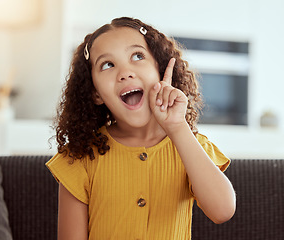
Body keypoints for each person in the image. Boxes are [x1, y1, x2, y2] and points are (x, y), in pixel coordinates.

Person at [46, 17, 236, 240]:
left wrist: (177, 127)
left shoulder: (191, 145)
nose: (125, 72)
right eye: (107, 64)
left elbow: (222, 211)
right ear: (95, 93)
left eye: (137, 56)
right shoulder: (80, 157)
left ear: (161, 69)